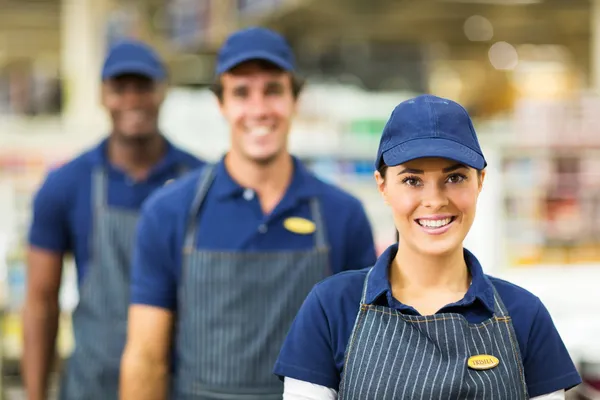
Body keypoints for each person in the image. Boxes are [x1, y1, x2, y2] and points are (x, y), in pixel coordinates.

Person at [120, 27, 377, 400]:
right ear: (221, 104)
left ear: (295, 99)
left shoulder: (341, 216)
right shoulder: (170, 213)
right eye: (241, 92)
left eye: (273, 90)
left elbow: (362, 355)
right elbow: (146, 359)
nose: (259, 109)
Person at [274, 94, 582, 399]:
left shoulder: (525, 315)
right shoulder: (332, 307)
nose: (434, 200)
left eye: (455, 177)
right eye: (412, 180)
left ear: (480, 182)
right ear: (382, 186)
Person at [22, 39, 205, 400]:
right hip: (93, 382)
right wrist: (35, 394)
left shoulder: (199, 182)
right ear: (102, 95)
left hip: (181, 382)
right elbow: (41, 303)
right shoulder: (66, 185)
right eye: (120, 89)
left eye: (144, 87)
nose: (133, 100)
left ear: (163, 91)